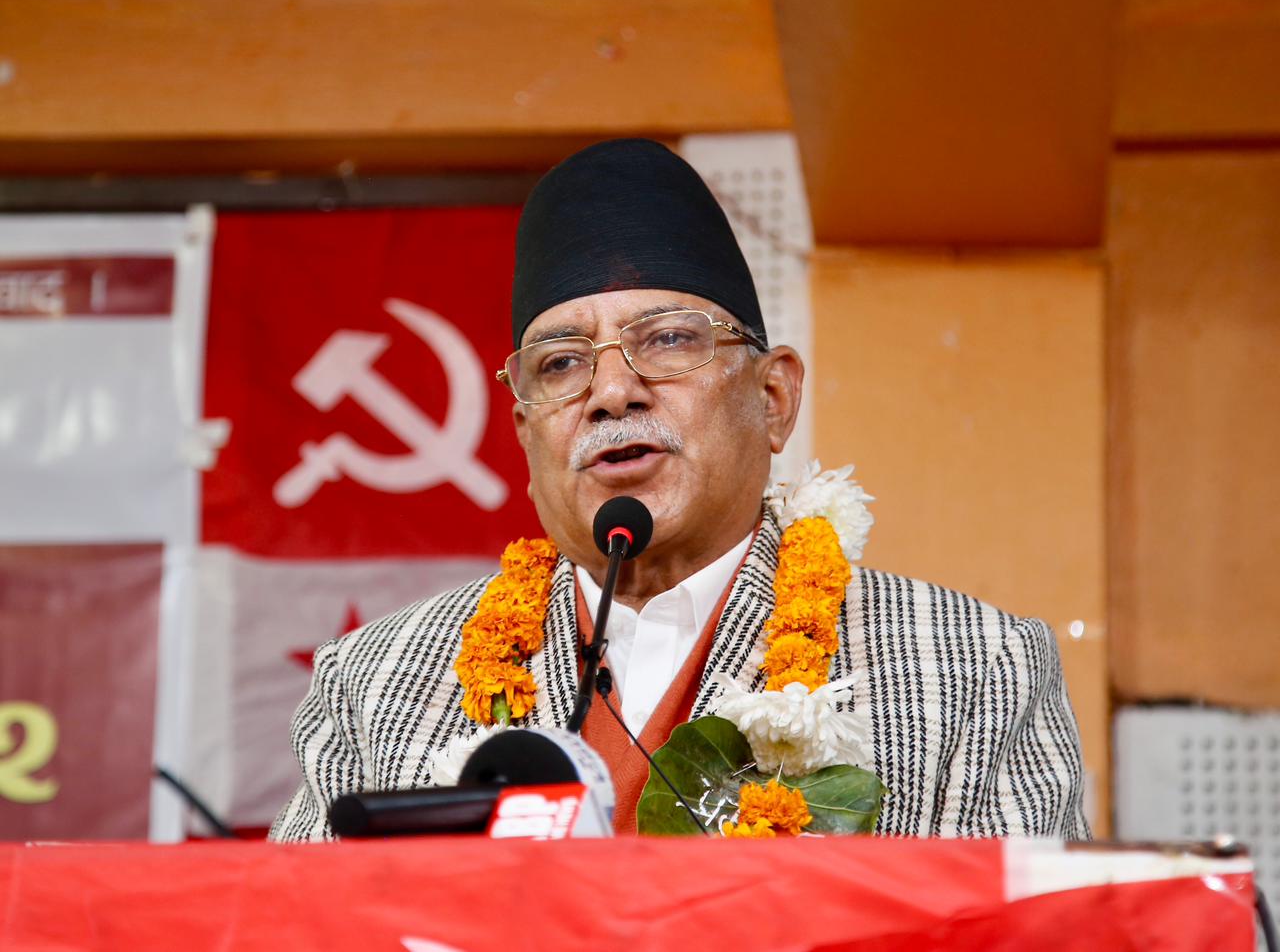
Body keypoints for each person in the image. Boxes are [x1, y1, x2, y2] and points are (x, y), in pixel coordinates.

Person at [270, 138, 1089, 842]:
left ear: (773, 399)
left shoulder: (974, 665)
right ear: (525, 434)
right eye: (561, 363)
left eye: (666, 340)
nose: (610, 392)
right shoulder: (374, 681)